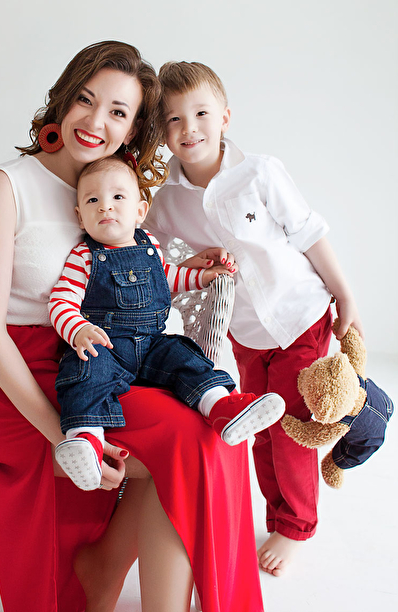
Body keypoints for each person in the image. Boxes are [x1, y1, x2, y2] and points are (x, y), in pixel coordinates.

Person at [0, 42, 265, 612]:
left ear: (134, 129)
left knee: (207, 436)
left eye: (118, 111)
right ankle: (98, 573)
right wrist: (62, 434)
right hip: (4, 373)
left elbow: (152, 262)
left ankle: (111, 572)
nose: (95, 122)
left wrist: (201, 265)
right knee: (182, 449)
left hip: (94, 360)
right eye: (85, 100)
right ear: (62, 99)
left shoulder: (118, 190)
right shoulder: (2, 185)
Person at [146, 60, 363, 579]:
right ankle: (279, 514)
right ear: (162, 132)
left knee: (291, 430)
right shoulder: (168, 200)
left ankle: (297, 526)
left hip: (301, 315)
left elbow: (308, 232)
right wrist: (192, 262)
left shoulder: (259, 172)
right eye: (174, 119)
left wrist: (345, 295)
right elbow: (150, 255)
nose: (189, 128)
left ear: (224, 116)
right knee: (263, 430)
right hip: (245, 334)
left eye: (201, 113)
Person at [50, 156, 285, 491]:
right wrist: (78, 330)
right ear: (80, 216)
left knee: (184, 356)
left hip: (151, 345)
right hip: (107, 345)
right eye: (92, 200)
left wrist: (201, 277)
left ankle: (221, 407)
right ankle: (86, 439)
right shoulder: (84, 256)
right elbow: (61, 301)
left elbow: (168, 276)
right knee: (86, 372)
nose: (105, 207)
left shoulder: (149, 244)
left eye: (118, 197)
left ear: (140, 211)